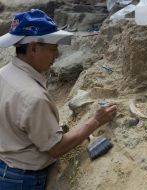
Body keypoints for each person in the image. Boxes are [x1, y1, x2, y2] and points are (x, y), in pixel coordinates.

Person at [0, 9, 117, 189]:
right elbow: (57, 149)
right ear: (33, 48)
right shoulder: (32, 97)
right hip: (23, 179)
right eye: (53, 49)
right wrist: (95, 120)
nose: (56, 55)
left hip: (5, 166)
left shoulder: (4, 74)